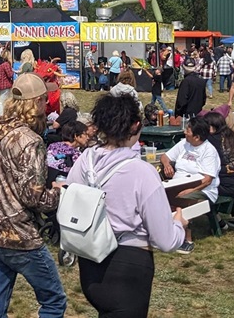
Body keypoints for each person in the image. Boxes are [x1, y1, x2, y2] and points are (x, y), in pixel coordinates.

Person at [69, 91, 187, 317]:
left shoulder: (86, 160)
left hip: (90, 262)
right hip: (128, 268)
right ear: (135, 126)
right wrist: (179, 225)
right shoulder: (142, 172)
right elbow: (165, 240)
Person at [0, 72, 67, 318]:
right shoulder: (30, 141)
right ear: (35, 103)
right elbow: (32, 196)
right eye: (45, 100)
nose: (47, 105)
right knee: (54, 301)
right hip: (20, 236)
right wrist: (59, 195)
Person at [159, 117, 221, 254]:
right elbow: (165, 156)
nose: (185, 132)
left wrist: (191, 189)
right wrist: (167, 164)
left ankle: (187, 239)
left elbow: (207, 180)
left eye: (187, 130)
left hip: (202, 189)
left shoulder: (208, 151)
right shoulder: (184, 144)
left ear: (197, 137)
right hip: (178, 183)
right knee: (158, 194)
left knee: (186, 198)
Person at [0, 49, 14, 116]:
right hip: (5, 85)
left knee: (3, 100)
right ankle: (0, 115)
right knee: (2, 102)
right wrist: (13, 71)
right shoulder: (6, 64)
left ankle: (4, 114)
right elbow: (10, 75)